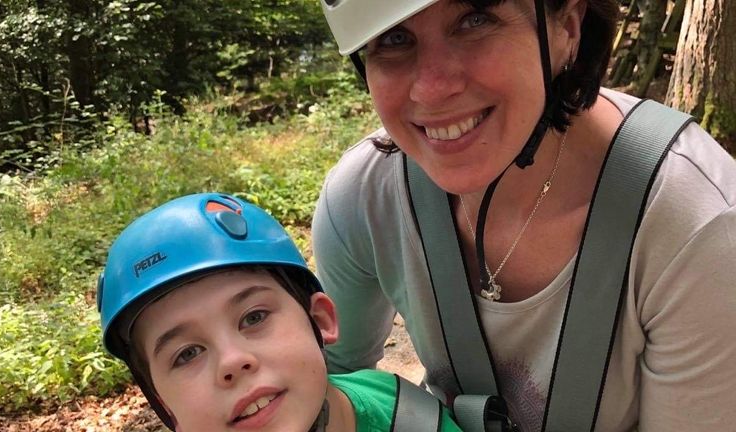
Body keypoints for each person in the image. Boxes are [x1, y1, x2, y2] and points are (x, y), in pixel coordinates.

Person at [312, 0, 736, 430]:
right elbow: (323, 381)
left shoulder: (696, 225)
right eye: (393, 39)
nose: (432, 88)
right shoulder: (366, 195)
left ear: (567, 27)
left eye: (475, 19)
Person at [96, 192, 463, 432]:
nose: (232, 362)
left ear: (321, 320)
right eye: (187, 354)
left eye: (253, 317)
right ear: (163, 403)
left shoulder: (411, 418)